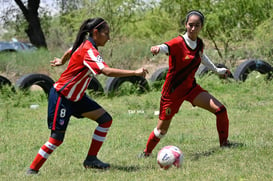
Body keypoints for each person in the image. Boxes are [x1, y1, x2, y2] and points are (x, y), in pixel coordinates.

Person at [26, 17, 148, 174]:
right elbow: (106, 71)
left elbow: (70, 51)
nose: (109, 37)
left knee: (105, 120)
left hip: (77, 98)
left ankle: (91, 160)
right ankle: (32, 170)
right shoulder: (89, 50)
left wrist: (62, 61)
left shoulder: (85, 45)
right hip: (62, 97)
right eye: (106, 33)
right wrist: (135, 72)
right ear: (95, 32)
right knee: (56, 138)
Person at [140, 10, 231, 157]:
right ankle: (146, 153)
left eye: (197, 25)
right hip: (172, 92)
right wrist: (157, 48)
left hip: (190, 88)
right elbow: (165, 47)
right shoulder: (177, 42)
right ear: (185, 25)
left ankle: (225, 145)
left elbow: (202, 57)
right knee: (161, 130)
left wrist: (217, 70)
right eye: (190, 25)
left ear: (201, 26)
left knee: (221, 110)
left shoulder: (199, 43)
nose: (193, 28)